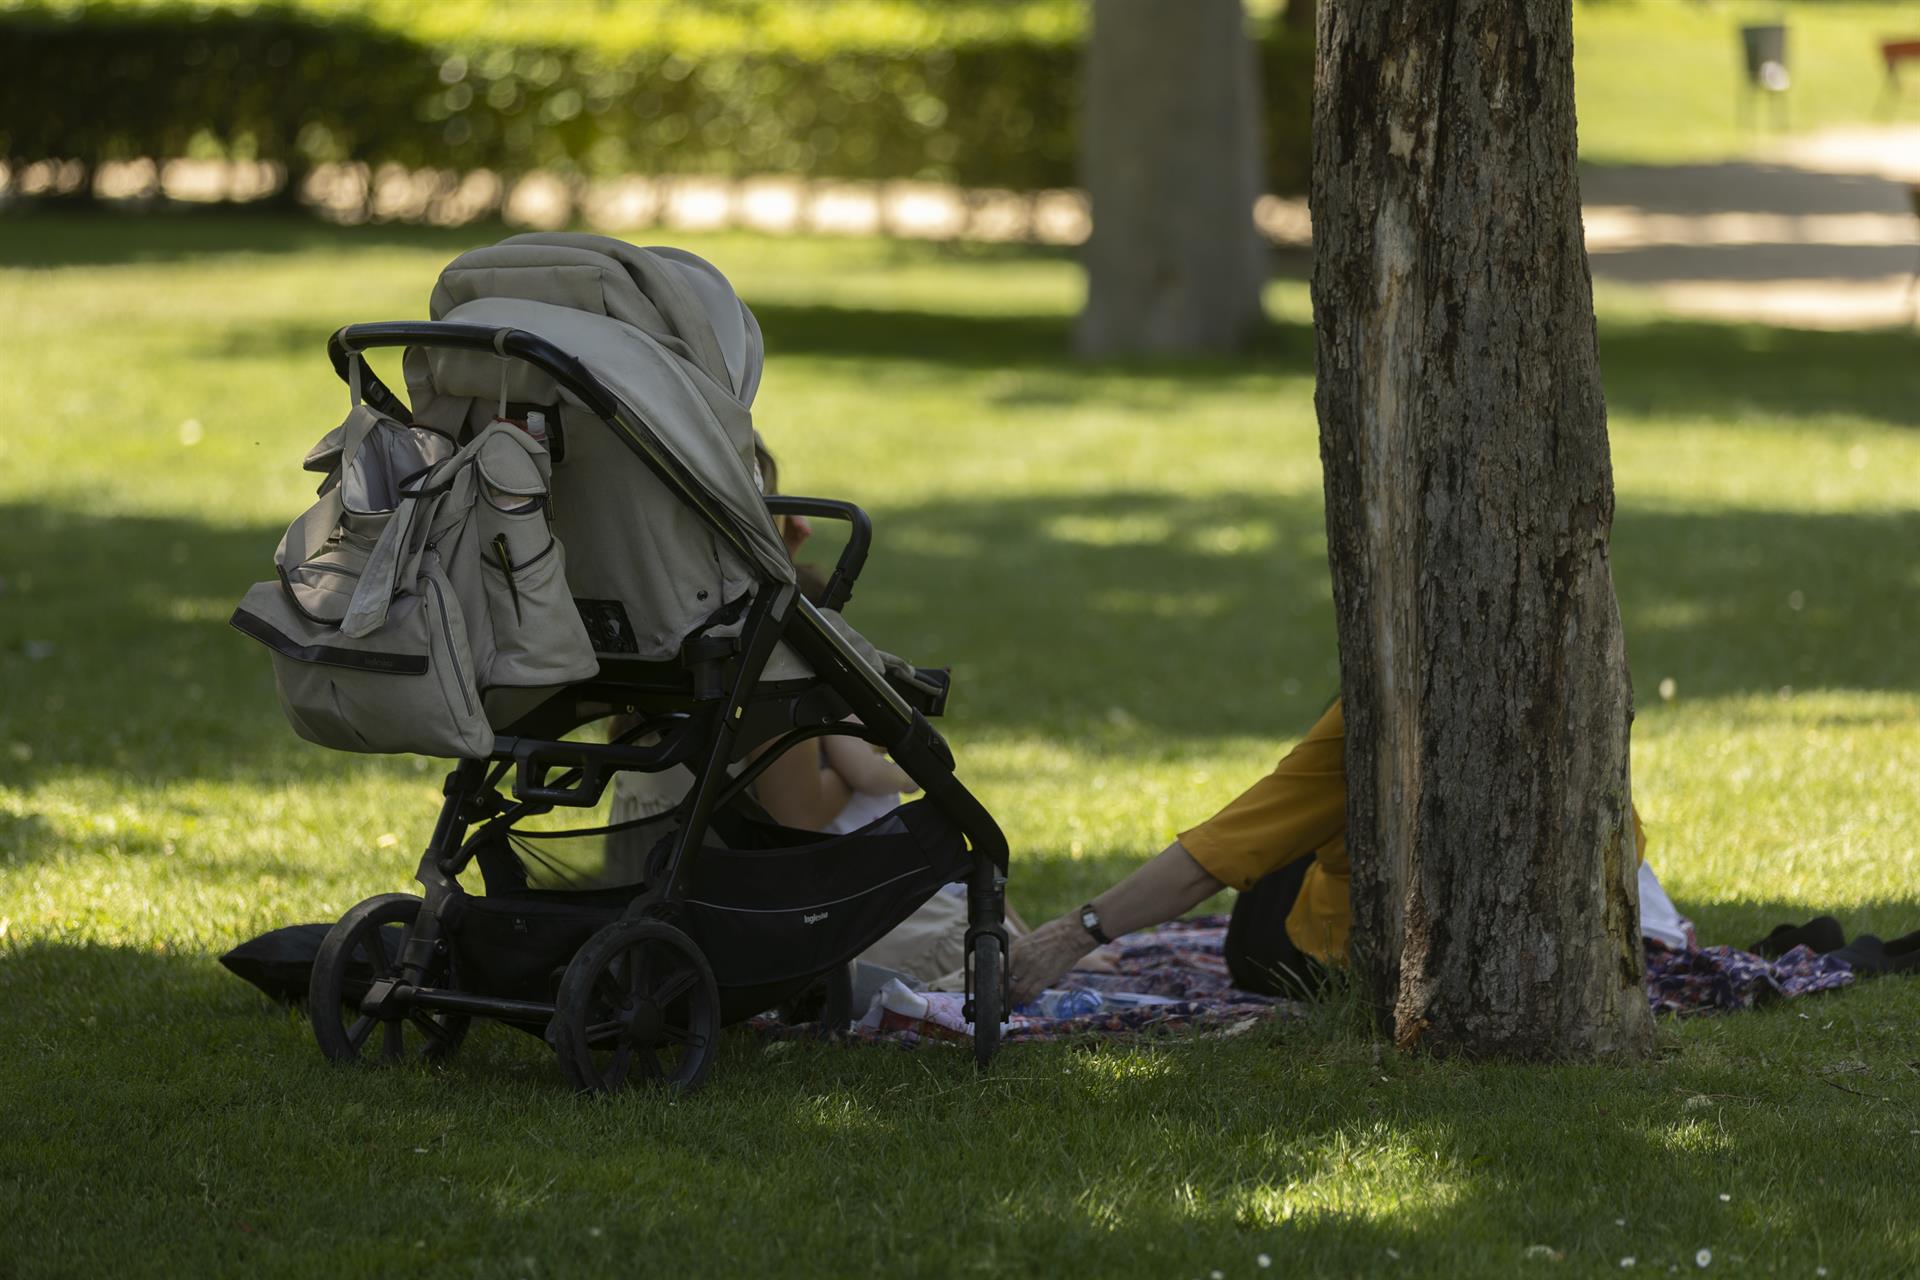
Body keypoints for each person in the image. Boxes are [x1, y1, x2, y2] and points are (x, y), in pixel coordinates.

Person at [1009, 699, 1652, 1005]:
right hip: (1548, 961)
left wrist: (1072, 934)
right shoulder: (1572, 693)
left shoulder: (1376, 718)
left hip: (1328, 957)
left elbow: (1222, 852)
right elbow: (1629, 847)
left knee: (1283, 825)